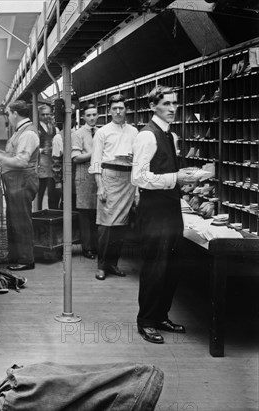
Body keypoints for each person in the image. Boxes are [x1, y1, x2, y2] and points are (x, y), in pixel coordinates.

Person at [131, 85, 201, 344]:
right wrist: (174, 178)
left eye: (175, 103)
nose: (172, 108)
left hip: (171, 207)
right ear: (153, 106)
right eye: (166, 103)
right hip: (154, 210)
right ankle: (146, 321)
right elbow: (137, 177)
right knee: (154, 265)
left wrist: (185, 179)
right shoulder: (146, 136)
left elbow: (165, 173)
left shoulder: (171, 136)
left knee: (172, 264)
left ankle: (161, 315)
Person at [88, 94, 137, 280]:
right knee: (106, 225)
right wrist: (100, 186)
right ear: (109, 111)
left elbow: (139, 160)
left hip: (128, 180)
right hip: (109, 178)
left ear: (126, 110)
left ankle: (113, 264)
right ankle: (101, 265)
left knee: (121, 225)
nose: (118, 112)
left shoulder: (134, 132)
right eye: (114, 108)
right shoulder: (102, 132)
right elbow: (96, 161)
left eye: (121, 108)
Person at [0, 100, 40, 272]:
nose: (8, 117)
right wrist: (1, 154)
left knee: (21, 221)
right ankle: (15, 256)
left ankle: (26, 259)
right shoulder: (20, 131)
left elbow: (21, 161)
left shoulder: (27, 134)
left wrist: (0, 158)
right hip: (15, 182)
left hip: (22, 181)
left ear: (15, 113)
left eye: (8, 114)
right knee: (14, 220)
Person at [72, 103, 99, 260]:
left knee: (98, 213)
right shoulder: (78, 134)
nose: (92, 118)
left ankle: (96, 246)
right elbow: (76, 158)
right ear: (83, 117)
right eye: (88, 115)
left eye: (94, 114)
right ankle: (87, 248)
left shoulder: (102, 132)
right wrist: (94, 152)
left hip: (100, 177)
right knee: (85, 214)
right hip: (84, 177)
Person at [36, 104, 62, 210]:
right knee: (39, 194)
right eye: (43, 114)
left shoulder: (54, 128)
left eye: (48, 114)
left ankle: (51, 214)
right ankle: (37, 214)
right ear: (39, 115)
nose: (46, 116)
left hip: (53, 164)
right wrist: (42, 150)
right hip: (40, 163)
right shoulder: (35, 128)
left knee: (53, 193)